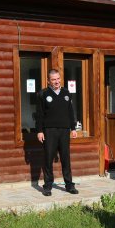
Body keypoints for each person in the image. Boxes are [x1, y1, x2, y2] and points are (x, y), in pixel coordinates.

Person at [36, 69, 78, 197]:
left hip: (64, 130)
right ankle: (48, 186)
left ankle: (69, 185)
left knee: (66, 158)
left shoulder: (66, 93)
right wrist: (39, 131)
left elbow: (71, 112)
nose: (57, 82)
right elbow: (39, 115)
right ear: (48, 81)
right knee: (48, 158)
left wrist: (73, 128)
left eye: (58, 79)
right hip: (50, 131)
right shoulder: (43, 94)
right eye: (53, 79)